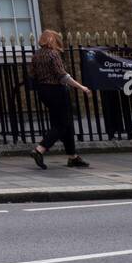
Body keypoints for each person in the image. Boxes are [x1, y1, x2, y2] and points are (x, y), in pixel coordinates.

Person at [29, 29, 91, 169]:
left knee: (67, 124)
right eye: (57, 40)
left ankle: (72, 157)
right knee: (61, 125)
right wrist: (81, 87)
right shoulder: (53, 54)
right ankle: (40, 150)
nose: (58, 43)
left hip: (44, 92)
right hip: (57, 91)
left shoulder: (36, 55)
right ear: (52, 40)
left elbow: (32, 75)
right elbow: (62, 76)